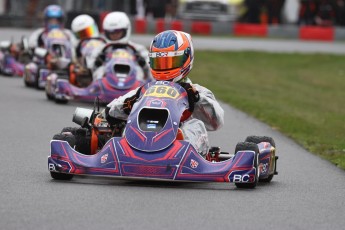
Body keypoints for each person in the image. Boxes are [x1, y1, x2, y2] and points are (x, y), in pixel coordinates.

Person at [106, 30, 224, 157]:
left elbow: (216, 122)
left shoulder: (197, 92)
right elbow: (110, 110)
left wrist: (197, 98)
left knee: (194, 125)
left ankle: (184, 157)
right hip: (140, 142)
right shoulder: (144, 90)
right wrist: (127, 104)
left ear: (186, 58)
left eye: (170, 62)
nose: (164, 68)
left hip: (178, 146)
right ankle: (128, 153)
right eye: (159, 62)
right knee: (129, 123)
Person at [93, 11, 151, 81]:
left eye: (117, 32)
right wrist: (97, 63)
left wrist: (142, 63)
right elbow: (90, 67)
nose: (114, 35)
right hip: (107, 82)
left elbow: (150, 67)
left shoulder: (138, 49)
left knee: (138, 70)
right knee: (100, 70)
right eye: (111, 32)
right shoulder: (100, 49)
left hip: (132, 83)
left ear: (126, 30)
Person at [70, 14, 106, 86]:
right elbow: (74, 61)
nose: (88, 36)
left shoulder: (104, 42)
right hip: (85, 68)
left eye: (89, 31)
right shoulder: (77, 46)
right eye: (82, 34)